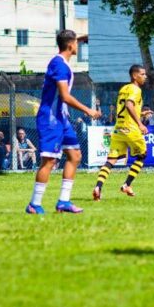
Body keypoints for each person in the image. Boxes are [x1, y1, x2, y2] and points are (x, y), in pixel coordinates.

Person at [26, 29, 101, 214]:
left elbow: (71, 40)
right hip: (51, 119)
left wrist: (82, 38)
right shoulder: (59, 66)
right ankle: (34, 205)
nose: (78, 45)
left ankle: (63, 202)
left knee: (75, 156)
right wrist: (88, 110)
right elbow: (65, 96)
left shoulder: (61, 61)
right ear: (70, 45)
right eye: (76, 43)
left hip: (61, 118)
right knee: (49, 161)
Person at [92, 65, 149, 201]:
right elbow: (129, 105)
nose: (145, 76)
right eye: (142, 74)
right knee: (142, 155)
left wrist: (141, 112)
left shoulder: (124, 89)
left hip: (118, 128)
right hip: (131, 129)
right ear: (134, 76)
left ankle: (98, 187)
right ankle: (126, 185)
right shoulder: (136, 89)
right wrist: (140, 123)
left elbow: (124, 108)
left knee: (111, 160)